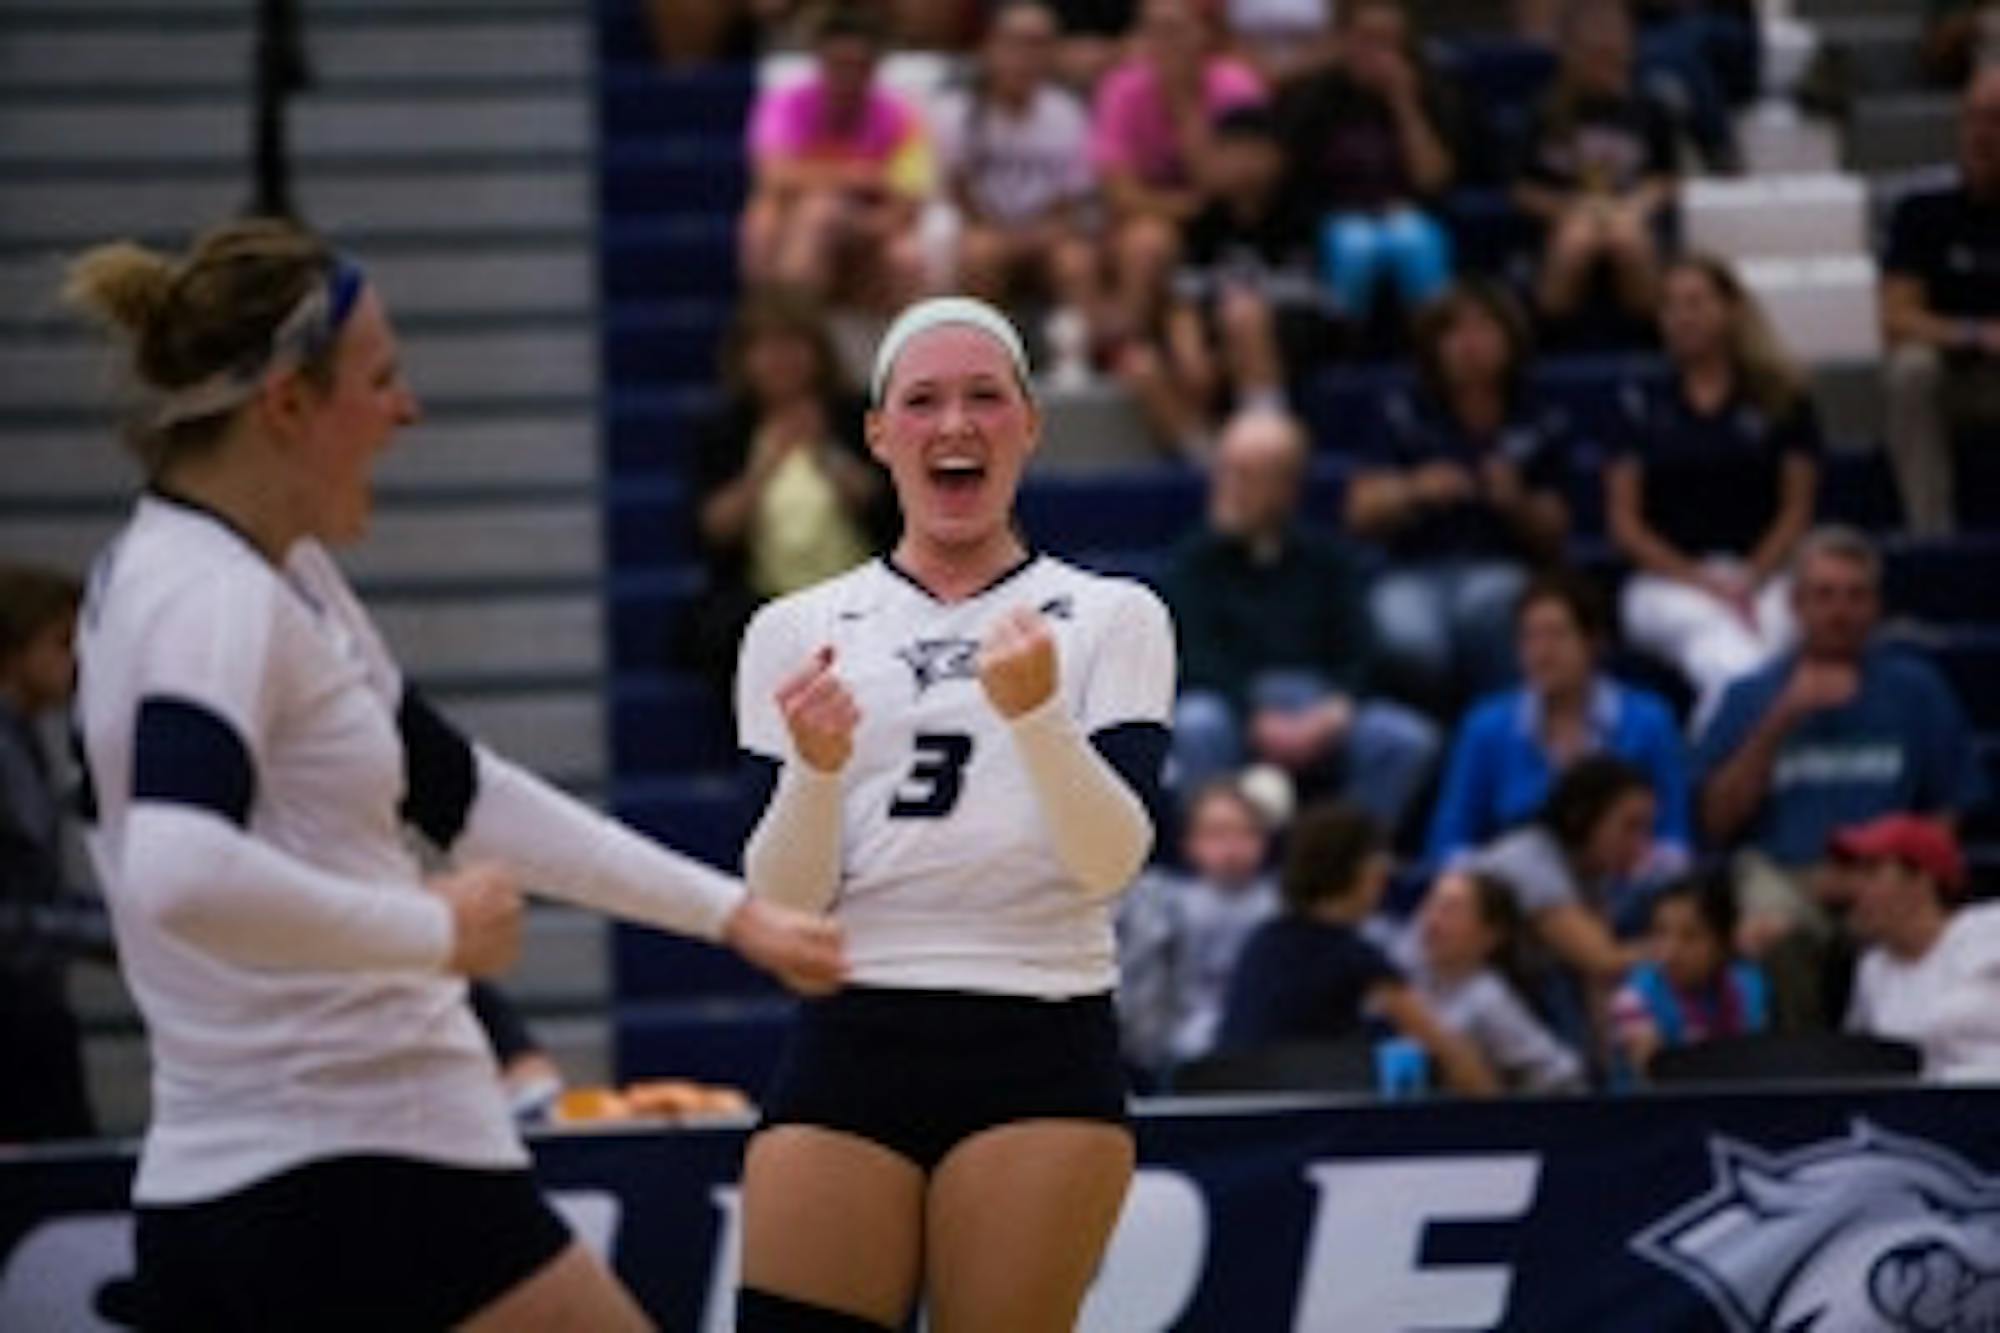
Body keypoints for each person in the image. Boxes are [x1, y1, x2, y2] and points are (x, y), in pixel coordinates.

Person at [63, 219, 845, 1332]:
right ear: (286, 405)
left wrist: (730, 915)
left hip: (280, 1172)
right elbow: (177, 868)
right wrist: (431, 928)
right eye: (379, 379)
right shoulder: (205, 595)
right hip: (348, 1166)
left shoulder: (268, 574)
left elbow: (463, 793)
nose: (407, 409)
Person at [732, 297, 1176, 1331]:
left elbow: (1111, 865)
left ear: (1030, 423)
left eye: (984, 397)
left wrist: (1036, 722)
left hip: (1038, 1033)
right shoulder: (792, 628)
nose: (954, 424)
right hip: (850, 1032)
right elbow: (781, 903)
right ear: (878, 433)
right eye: (921, 401)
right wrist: (815, 769)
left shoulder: (1114, 614)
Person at [1694, 527, 1990, 999]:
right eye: (1824, 595)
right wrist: (1781, 720)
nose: (1840, 611)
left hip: (1891, 874)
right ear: (1796, 605)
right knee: (1772, 931)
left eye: (1856, 596)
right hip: (1785, 877)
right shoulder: (1748, 696)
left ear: (1876, 607)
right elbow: (1717, 821)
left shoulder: (1917, 690)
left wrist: (1889, 878)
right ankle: (1792, 1070)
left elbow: (1947, 813)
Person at [1163, 407, 1441, 832]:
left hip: (1321, 704)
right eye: (1225, 472)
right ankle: (1216, 852)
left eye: (1246, 476)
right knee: (1196, 723)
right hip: (1236, 706)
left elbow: (1359, 652)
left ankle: (1347, 859)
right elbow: (1195, 659)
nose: (1228, 489)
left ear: (1288, 487)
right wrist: (1255, 716)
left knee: (1403, 738)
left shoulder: (1329, 561)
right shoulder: (1194, 563)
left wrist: (1334, 713)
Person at [1608, 255, 1820, 722]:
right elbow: (1625, 524)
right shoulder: (1638, 402)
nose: (1682, 316)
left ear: (1731, 310)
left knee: (1746, 647)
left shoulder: (1783, 398)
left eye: (1695, 303)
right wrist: (1703, 582)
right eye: (1670, 306)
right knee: (1737, 653)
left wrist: (1749, 579)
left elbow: (1796, 510)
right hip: (1666, 582)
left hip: (1765, 573)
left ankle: (1708, 771)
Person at [1346, 281, 1571, 714]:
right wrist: (1415, 490)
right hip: (1414, 569)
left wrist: (1516, 502)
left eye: (1484, 331)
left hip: (1500, 563)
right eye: (1456, 333)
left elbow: (1557, 529)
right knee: (1407, 635)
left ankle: (1499, 728)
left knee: (1488, 607)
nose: (1470, 345)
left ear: (1509, 340)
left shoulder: (1540, 416)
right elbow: (1359, 511)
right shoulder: (1403, 412)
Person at [688, 288, 893, 697]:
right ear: (744, 359)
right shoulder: (724, 430)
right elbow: (711, 529)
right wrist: (762, 471)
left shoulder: (857, 417)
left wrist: (826, 456)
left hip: (858, 597)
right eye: (766, 347)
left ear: (818, 352)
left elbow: (888, 508)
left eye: (792, 344)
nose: (781, 360)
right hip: (762, 604)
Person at [1216, 802, 1498, 1094]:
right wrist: (1497, 1113)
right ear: (1359, 875)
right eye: (1378, 871)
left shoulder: (1261, 940)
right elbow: (1444, 1048)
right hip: (1303, 1116)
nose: (1384, 882)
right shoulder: (1355, 958)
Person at [1427, 571, 1692, 865]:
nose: (1542, 653)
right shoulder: (1486, 727)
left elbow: (1674, 837)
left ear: (1594, 643)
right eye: (1530, 638)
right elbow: (1449, 841)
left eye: (1557, 635)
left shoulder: (1650, 722)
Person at [1117, 106, 1326, 460]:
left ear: (1277, 157)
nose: (1242, 164)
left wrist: (1230, 346)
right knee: (1140, 363)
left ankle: (1265, 442)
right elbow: (1184, 301)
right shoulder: (1205, 224)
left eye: (1252, 151)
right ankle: (1203, 457)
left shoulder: (1300, 219)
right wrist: (1192, 352)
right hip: (1220, 341)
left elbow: (1306, 305)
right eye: (1231, 152)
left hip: (1282, 340)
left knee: (1244, 313)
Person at [0, 565, 115, 1143]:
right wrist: (109, 933)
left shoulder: (24, 739)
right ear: (14, 647)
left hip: (32, 1010)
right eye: (62, 642)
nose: (80, 661)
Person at [931, 1, 1106, 359]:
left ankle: (1082, 363)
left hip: (1045, 235)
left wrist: (1036, 236)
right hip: (984, 231)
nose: (1025, 57)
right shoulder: (957, 111)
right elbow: (955, 192)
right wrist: (1003, 237)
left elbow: (1072, 200)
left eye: (1038, 45)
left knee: (1077, 261)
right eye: (1015, 43)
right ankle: (980, 361)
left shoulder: (1066, 113)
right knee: (980, 253)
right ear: (989, 46)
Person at [1272, 0, 1457, 333]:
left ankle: (1433, 344)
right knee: (1355, 245)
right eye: (1368, 39)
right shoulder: (1312, 98)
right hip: (1334, 216)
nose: (1379, 53)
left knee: (1414, 240)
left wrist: (1405, 105)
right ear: (1343, 41)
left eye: (1390, 42)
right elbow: (1289, 180)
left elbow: (1434, 179)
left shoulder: (1430, 92)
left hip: (1406, 213)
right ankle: (1342, 344)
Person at [1088, 0, 1266, 343]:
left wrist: (1185, 108)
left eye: (1176, 30)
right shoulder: (1121, 89)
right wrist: (1192, 207)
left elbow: (1244, 185)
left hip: (1233, 230)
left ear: (1205, 34)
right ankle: (1129, 350)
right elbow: (1119, 193)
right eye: (1154, 31)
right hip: (1157, 224)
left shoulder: (1238, 86)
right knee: (1146, 241)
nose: (1166, 43)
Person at [739, 6, 934, 312]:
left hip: (868, 230)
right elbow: (772, 175)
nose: (848, 77)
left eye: (858, 66)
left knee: (906, 257)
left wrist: (851, 221)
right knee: (769, 219)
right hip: (795, 229)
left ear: (874, 67)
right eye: (838, 65)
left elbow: (909, 201)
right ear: (820, 62)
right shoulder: (786, 105)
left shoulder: (900, 117)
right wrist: (856, 174)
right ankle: (787, 320)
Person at [1512, 0, 1681, 335]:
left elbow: (1667, 177)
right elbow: (1522, 189)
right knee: (1574, 245)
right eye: (1597, 53)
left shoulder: (1649, 109)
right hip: (1566, 217)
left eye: (1615, 51)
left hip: (1627, 214)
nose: (1608, 61)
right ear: (1570, 54)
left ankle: (1649, 342)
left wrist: (1637, 205)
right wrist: (1568, 210)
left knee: (1629, 241)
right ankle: (1550, 342)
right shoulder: (1541, 114)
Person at [1880, 65, 2000, 536]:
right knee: (1911, 369)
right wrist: (1975, 333)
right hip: (1954, 375)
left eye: (1995, 119)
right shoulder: (1923, 209)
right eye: (1973, 118)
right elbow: (1895, 316)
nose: (1981, 133)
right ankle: (1931, 536)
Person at [1463, 755, 1656, 1048]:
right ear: (1579, 816)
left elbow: (1598, 984)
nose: (1641, 845)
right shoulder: (1529, 860)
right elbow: (1603, 960)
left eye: (1647, 829)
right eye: (1629, 827)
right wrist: (1682, 945)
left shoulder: (1594, 873)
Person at [1116, 777, 1280, 1077]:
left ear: (1264, 841)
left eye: (1245, 833)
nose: (1231, 847)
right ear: (1190, 842)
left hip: (1266, 1055)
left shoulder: (1284, 905)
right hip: (1170, 1056)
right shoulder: (1157, 901)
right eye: (1216, 834)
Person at [1837, 814, 2000, 1080]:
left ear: (1922, 880)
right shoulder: (1872, 970)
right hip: (1921, 1114)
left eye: (1872, 872)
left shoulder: (1990, 928)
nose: (1856, 889)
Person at [1399, 868, 1587, 1092]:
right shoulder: (1413, 983)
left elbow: (1561, 1078)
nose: (1432, 920)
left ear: (1490, 936)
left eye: (1451, 910)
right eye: (1431, 904)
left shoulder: (1488, 999)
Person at [1610, 870, 1770, 1080]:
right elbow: (1653, 1081)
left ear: (1723, 942)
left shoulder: (1751, 985)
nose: (1670, 950)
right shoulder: (1634, 998)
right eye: (1660, 932)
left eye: (1690, 936)